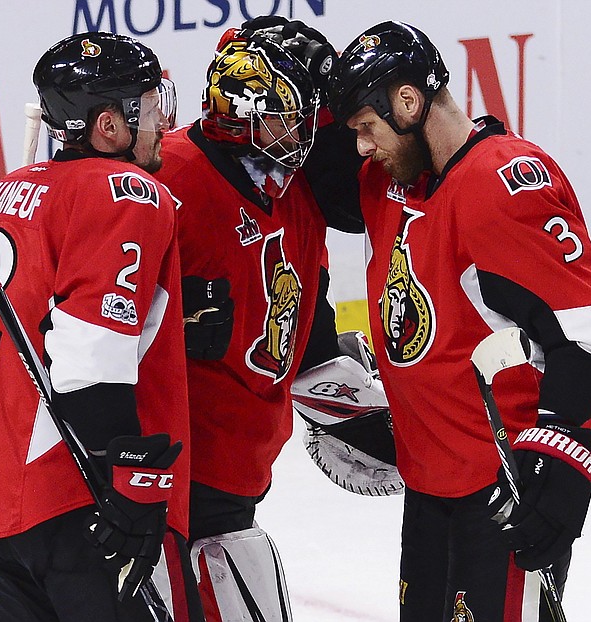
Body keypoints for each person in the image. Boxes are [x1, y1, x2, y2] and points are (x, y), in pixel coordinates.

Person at [327, 21, 591, 622]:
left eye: (367, 129)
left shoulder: (500, 183)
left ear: (409, 102)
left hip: (503, 494)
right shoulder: (389, 183)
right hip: (429, 491)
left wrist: (564, 472)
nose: (361, 147)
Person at [0, 32, 203, 622]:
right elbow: (91, 362)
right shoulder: (127, 192)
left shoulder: (9, 192)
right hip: (70, 498)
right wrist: (133, 485)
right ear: (108, 125)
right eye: (147, 105)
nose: (162, 121)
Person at [153, 17, 400, 621]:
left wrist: (405, 433)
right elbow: (90, 327)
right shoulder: (167, 179)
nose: (308, 133)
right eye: (292, 116)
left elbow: (307, 345)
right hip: (162, 489)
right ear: (240, 110)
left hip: (239, 478)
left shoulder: (294, 191)